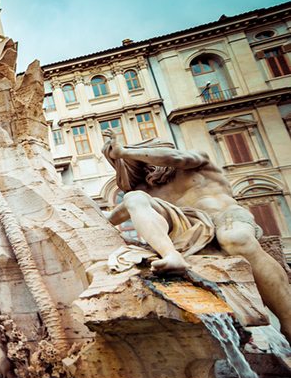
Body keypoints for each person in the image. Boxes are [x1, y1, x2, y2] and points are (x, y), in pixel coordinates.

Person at [102, 129, 291, 341]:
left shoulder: (194, 161)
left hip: (226, 217)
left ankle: (288, 321)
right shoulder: (146, 190)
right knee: (134, 198)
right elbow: (110, 216)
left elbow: (175, 157)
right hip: (190, 229)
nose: (150, 166)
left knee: (235, 239)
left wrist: (124, 152)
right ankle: (172, 255)